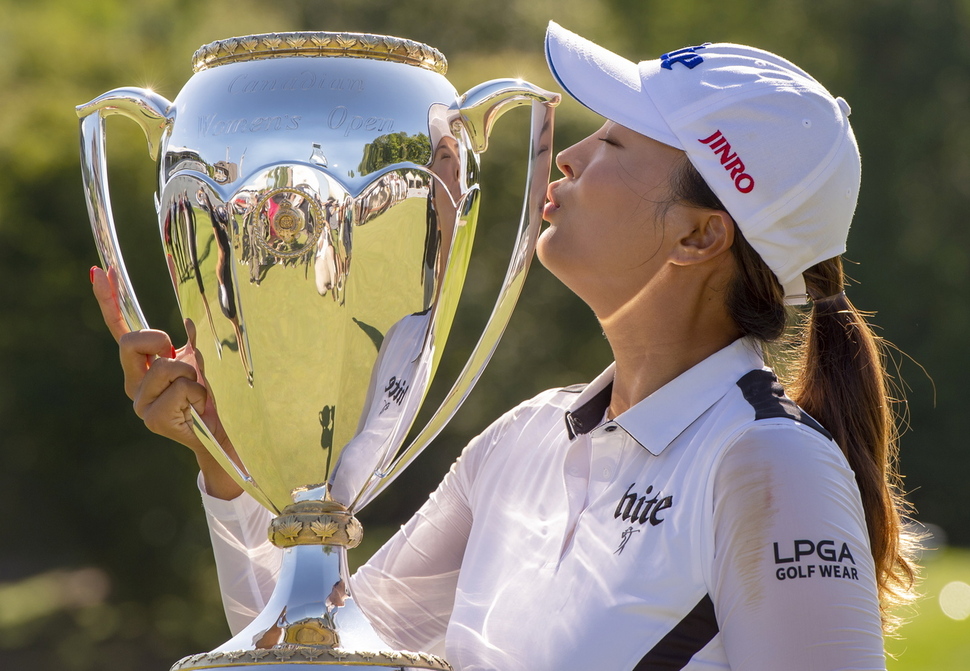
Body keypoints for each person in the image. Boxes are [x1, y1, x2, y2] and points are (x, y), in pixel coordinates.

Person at [92, 22, 919, 671]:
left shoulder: (772, 463)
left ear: (701, 237)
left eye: (615, 144)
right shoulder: (523, 440)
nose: (570, 154)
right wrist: (229, 466)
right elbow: (313, 647)